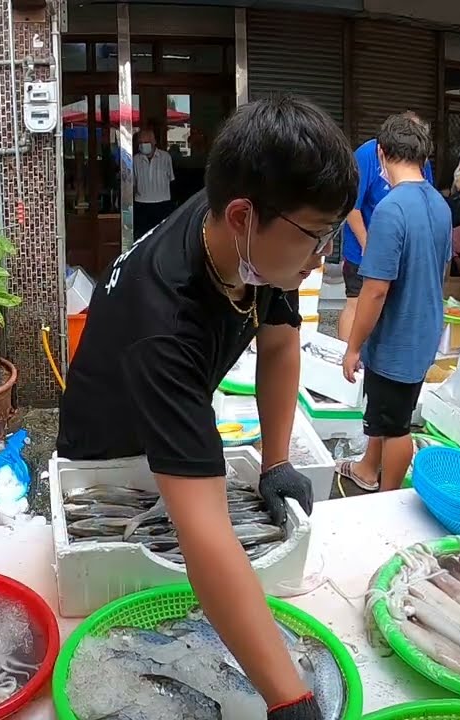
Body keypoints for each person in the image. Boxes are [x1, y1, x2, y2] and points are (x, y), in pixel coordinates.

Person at [57, 94, 357, 720]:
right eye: (316, 236)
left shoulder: (245, 235)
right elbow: (204, 533)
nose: (322, 255)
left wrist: (275, 461)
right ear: (246, 216)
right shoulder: (164, 326)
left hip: (168, 413)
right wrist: (290, 700)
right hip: (109, 456)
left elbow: (279, 344)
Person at [339, 113, 452, 492]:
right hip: (423, 330)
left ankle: (385, 500)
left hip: (396, 339)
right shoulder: (439, 204)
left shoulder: (391, 209)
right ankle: (368, 470)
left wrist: (353, 346)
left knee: (395, 427)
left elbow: (374, 290)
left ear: (382, 153)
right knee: (385, 415)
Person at [338, 114, 434, 343]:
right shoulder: (367, 154)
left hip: (398, 251)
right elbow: (352, 206)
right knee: (356, 302)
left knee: (387, 307)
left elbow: (425, 202)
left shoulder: (420, 162)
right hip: (361, 248)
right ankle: (344, 353)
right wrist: (369, 247)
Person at [132, 127, 175, 239]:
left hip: (163, 204)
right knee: (141, 238)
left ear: (154, 142)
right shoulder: (135, 160)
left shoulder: (165, 157)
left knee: (162, 237)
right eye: (140, 142)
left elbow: (171, 179)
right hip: (141, 205)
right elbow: (133, 182)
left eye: (146, 142)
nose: (143, 145)